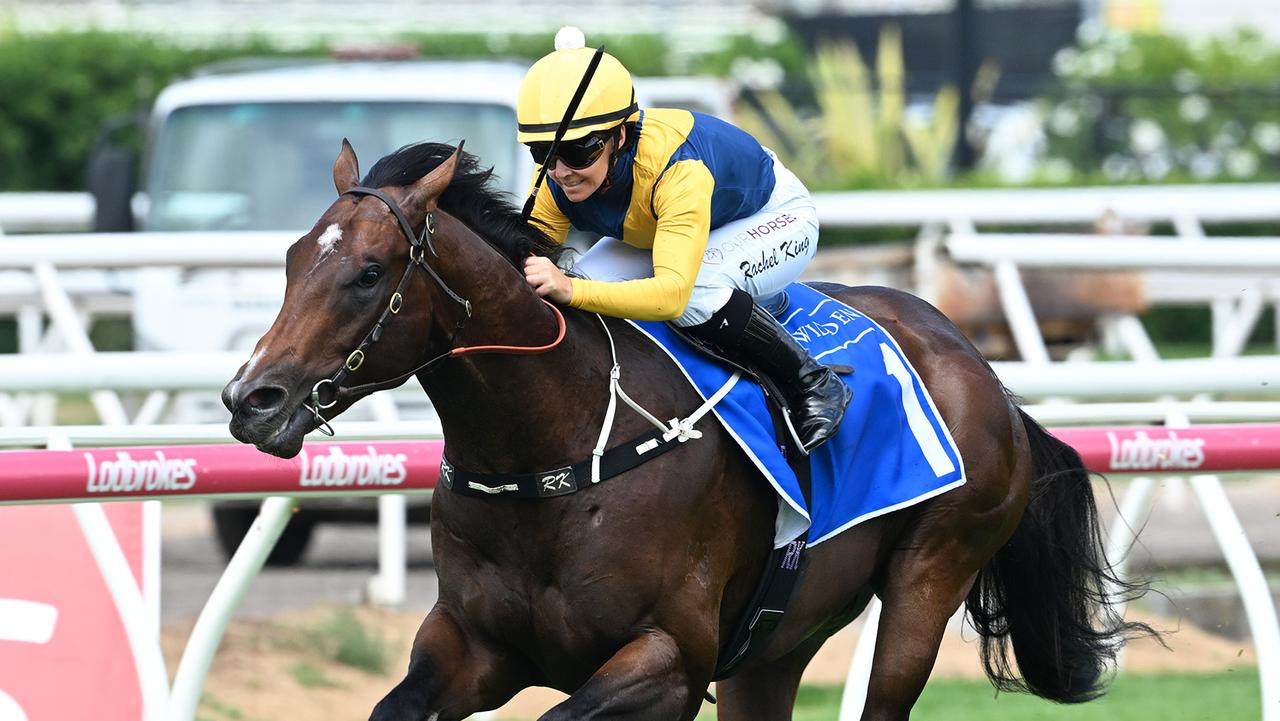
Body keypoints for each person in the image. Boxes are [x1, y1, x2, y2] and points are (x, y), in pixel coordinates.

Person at [517, 29, 851, 452]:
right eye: (543, 152)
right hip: (662, 225)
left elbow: (672, 295)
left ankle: (813, 382)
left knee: (696, 292)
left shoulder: (679, 170)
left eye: (580, 151)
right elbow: (532, 265)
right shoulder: (555, 173)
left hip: (772, 214)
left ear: (620, 136)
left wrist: (570, 288)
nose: (561, 170)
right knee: (579, 286)